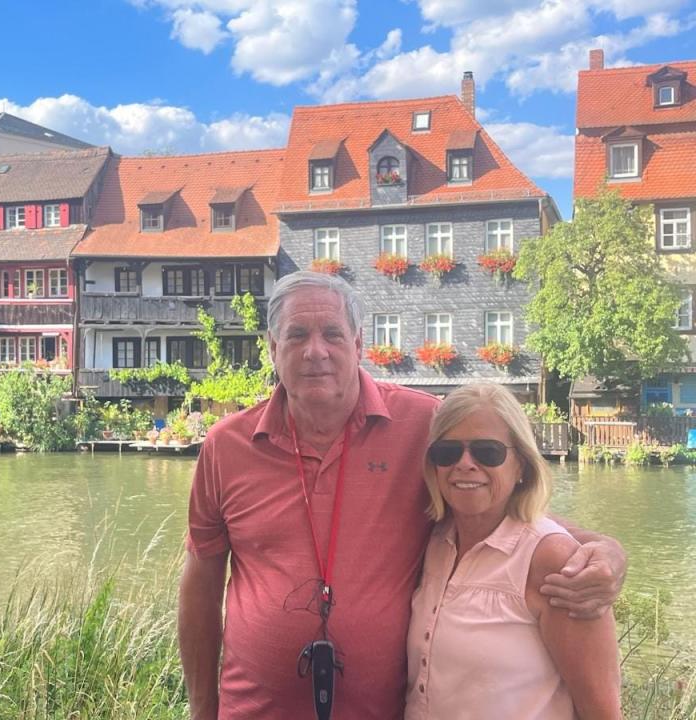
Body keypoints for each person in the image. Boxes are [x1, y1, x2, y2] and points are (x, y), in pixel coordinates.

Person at [179, 271, 625, 720]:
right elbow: (201, 585)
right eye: (297, 335)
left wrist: (602, 547)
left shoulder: (423, 427)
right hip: (251, 711)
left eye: (332, 333)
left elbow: (500, 502)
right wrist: (202, 709)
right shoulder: (226, 446)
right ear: (273, 349)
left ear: (358, 345)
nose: (316, 351)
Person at [405, 384, 621, 719]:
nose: (464, 464)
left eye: (487, 452)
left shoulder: (553, 562)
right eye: (447, 452)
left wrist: (611, 548)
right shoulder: (435, 542)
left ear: (521, 465)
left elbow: (601, 711)